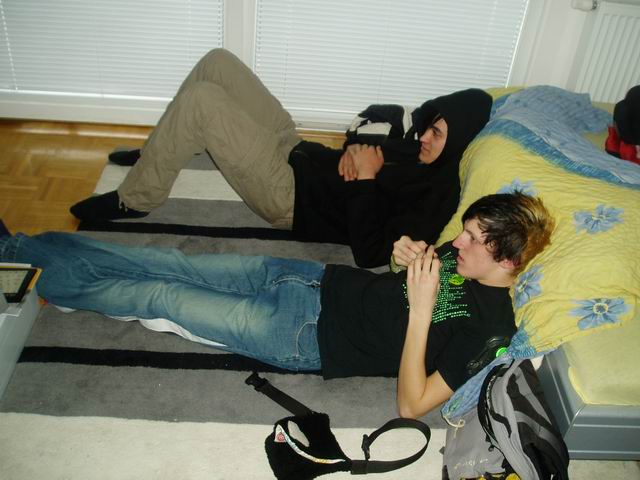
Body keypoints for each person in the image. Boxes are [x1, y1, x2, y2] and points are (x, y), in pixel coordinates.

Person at [1, 192, 554, 417]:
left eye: (472, 239)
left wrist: (421, 310)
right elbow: (398, 279)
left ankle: (30, 276)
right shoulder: (464, 255)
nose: (456, 242)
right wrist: (400, 258)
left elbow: (413, 405)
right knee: (168, 260)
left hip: (302, 335)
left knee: (159, 295)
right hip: (312, 278)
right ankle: (20, 248)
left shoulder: (492, 330)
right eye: (464, 230)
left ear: (506, 259)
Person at [69, 48, 493, 268]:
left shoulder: (437, 198)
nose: (424, 136)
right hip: (296, 148)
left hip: (288, 194)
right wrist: (355, 153)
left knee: (202, 101)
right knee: (218, 64)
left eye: (437, 133)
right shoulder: (422, 152)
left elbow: (371, 254)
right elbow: (365, 147)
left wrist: (364, 179)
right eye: (429, 126)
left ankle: (136, 199)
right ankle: (161, 151)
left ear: (460, 142)